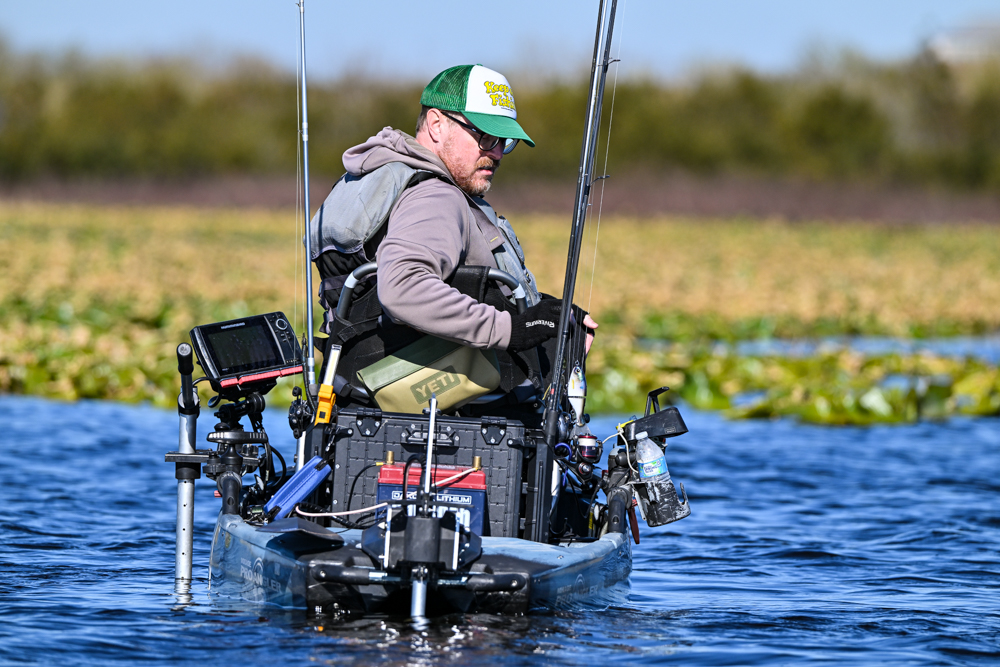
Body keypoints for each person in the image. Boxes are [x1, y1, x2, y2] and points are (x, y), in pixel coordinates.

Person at [324, 64, 596, 411]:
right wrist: (512, 329)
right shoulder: (434, 196)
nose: (496, 153)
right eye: (485, 136)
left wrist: (547, 315)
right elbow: (403, 286)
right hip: (448, 408)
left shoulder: (370, 180)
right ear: (437, 124)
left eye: (503, 142)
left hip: (356, 397)